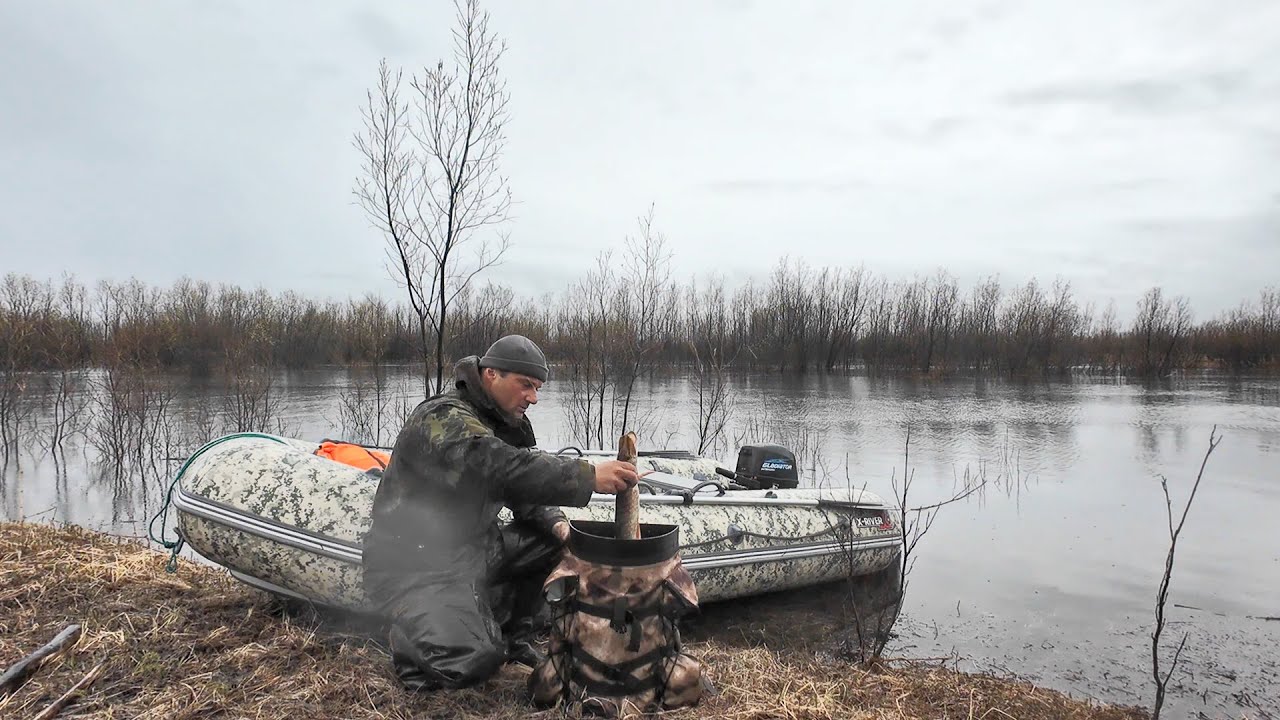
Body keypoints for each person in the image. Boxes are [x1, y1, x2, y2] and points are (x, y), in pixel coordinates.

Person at [362, 334, 640, 692]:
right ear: (491, 374)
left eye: (537, 388)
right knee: (474, 661)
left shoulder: (504, 422)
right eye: (526, 385)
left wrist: (558, 525)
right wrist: (587, 475)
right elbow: (495, 465)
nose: (533, 398)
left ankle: (513, 634)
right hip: (414, 568)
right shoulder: (443, 417)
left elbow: (522, 488)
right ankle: (412, 640)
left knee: (553, 541)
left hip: (470, 551)